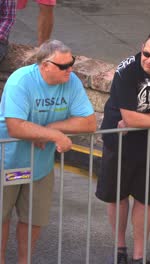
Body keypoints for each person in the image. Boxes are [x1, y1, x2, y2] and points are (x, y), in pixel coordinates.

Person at [0, 39, 96, 264]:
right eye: (63, 66)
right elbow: (15, 126)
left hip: (39, 166)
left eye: (71, 63)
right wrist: (55, 136)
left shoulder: (70, 81)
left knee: (34, 218)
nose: (69, 70)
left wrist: (51, 129)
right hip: (8, 161)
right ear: (44, 65)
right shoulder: (20, 81)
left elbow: (89, 123)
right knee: (2, 216)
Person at [96, 31, 150, 264]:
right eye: (146, 53)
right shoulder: (126, 70)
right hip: (120, 139)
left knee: (145, 199)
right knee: (118, 196)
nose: (148, 60)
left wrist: (145, 118)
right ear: (141, 48)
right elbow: (131, 118)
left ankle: (138, 254)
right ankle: (120, 248)